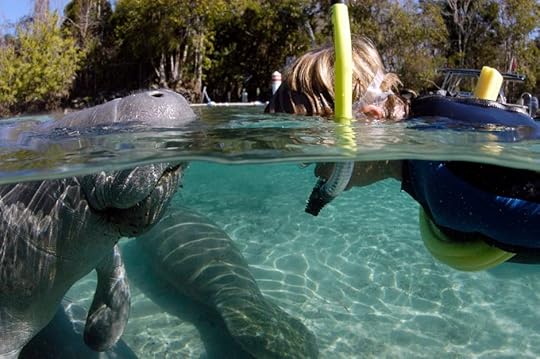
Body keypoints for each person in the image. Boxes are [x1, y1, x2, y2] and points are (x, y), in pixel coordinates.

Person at [265, 37, 540, 271]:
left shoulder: (445, 183)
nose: (318, 172)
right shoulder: (432, 119)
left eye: (317, 153)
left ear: (369, 118)